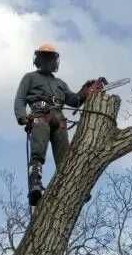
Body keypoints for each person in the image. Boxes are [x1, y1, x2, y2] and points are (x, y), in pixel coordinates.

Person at [14, 43, 96, 205]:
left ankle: (74, 187)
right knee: (38, 150)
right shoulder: (30, 77)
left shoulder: (60, 83)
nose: (48, 60)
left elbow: (74, 100)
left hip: (59, 120)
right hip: (39, 115)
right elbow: (20, 99)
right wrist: (22, 117)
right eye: (45, 57)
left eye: (51, 57)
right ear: (39, 59)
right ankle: (35, 184)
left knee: (65, 157)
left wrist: (85, 91)